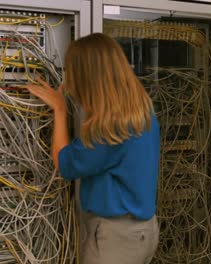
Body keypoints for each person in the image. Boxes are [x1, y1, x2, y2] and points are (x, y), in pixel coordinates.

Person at [24, 33, 160, 264]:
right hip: (143, 232)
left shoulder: (110, 129)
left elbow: (65, 164)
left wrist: (59, 109)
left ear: (87, 77)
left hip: (116, 241)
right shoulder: (142, 113)